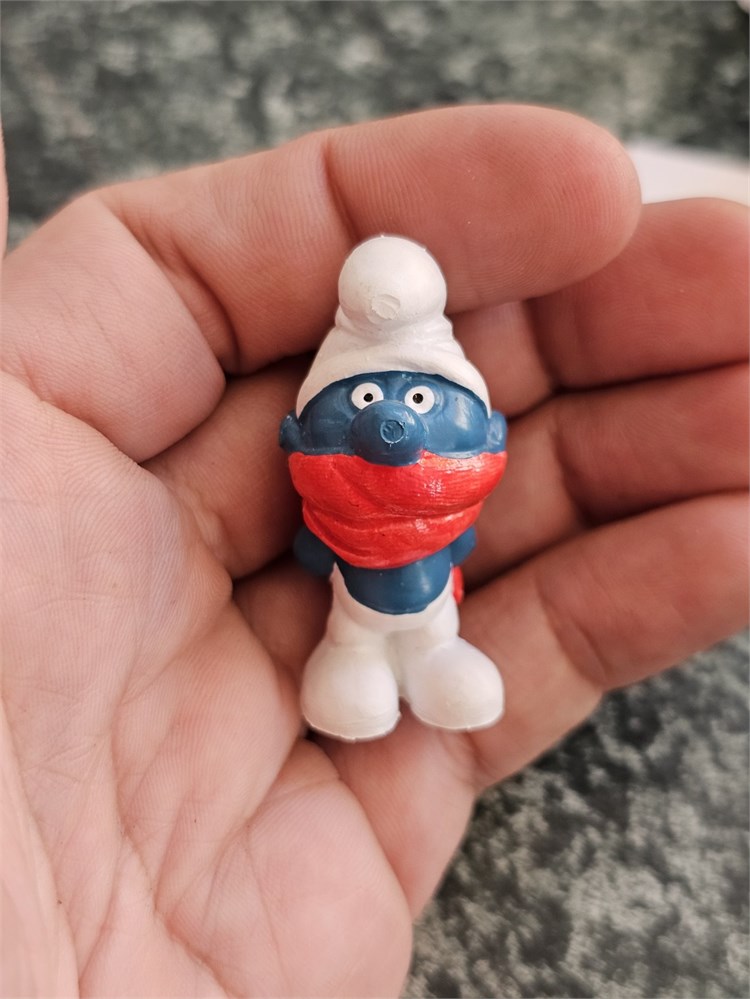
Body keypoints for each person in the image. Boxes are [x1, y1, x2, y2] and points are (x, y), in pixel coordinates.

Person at [1, 105, 746, 997]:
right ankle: (356, 670)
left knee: (436, 635)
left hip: (432, 602)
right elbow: (319, 548)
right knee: (350, 641)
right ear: (301, 430)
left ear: (483, 428)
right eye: (364, 399)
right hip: (352, 604)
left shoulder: (456, 490)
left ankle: (435, 662)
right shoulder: (328, 495)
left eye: (419, 401)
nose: (391, 420)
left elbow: (456, 534)